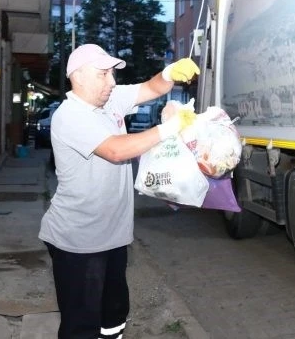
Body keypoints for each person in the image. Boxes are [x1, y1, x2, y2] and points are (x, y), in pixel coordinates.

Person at [39, 43, 199, 339]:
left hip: (113, 234)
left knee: (113, 314)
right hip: (80, 241)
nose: (111, 82)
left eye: (112, 74)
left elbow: (152, 88)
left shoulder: (109, 101)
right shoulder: (70, 115)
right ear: (79, 77)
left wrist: (170, 72)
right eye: (104, 75)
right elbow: (115, 150)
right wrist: (169, 129)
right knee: (81, 324)